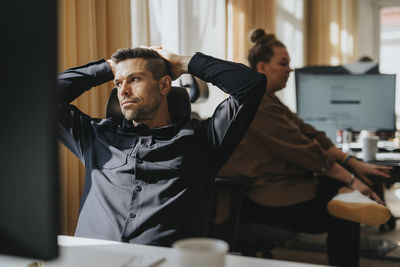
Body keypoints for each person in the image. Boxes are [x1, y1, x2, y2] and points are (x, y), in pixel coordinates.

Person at [57, 47, 266, 246]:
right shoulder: (94, 136)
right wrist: (110, 67)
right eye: (119, 83)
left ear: (165, 85)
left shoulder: (202, 139)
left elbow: (250, 84)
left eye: (134, 79)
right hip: (90, 258)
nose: (124, 91)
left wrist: (184, 63)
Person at [218, 29, 392, 267]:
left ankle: (348, 195)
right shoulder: (256, 104)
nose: (290, 69)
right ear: (261, 68)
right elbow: (303, 149)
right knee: (345, 213)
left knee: (342, 190)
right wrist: (351, 180)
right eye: (283, 63)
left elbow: (311, 134)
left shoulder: (269, 99)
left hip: (281, 184)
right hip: (257, 196)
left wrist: (352, 163)